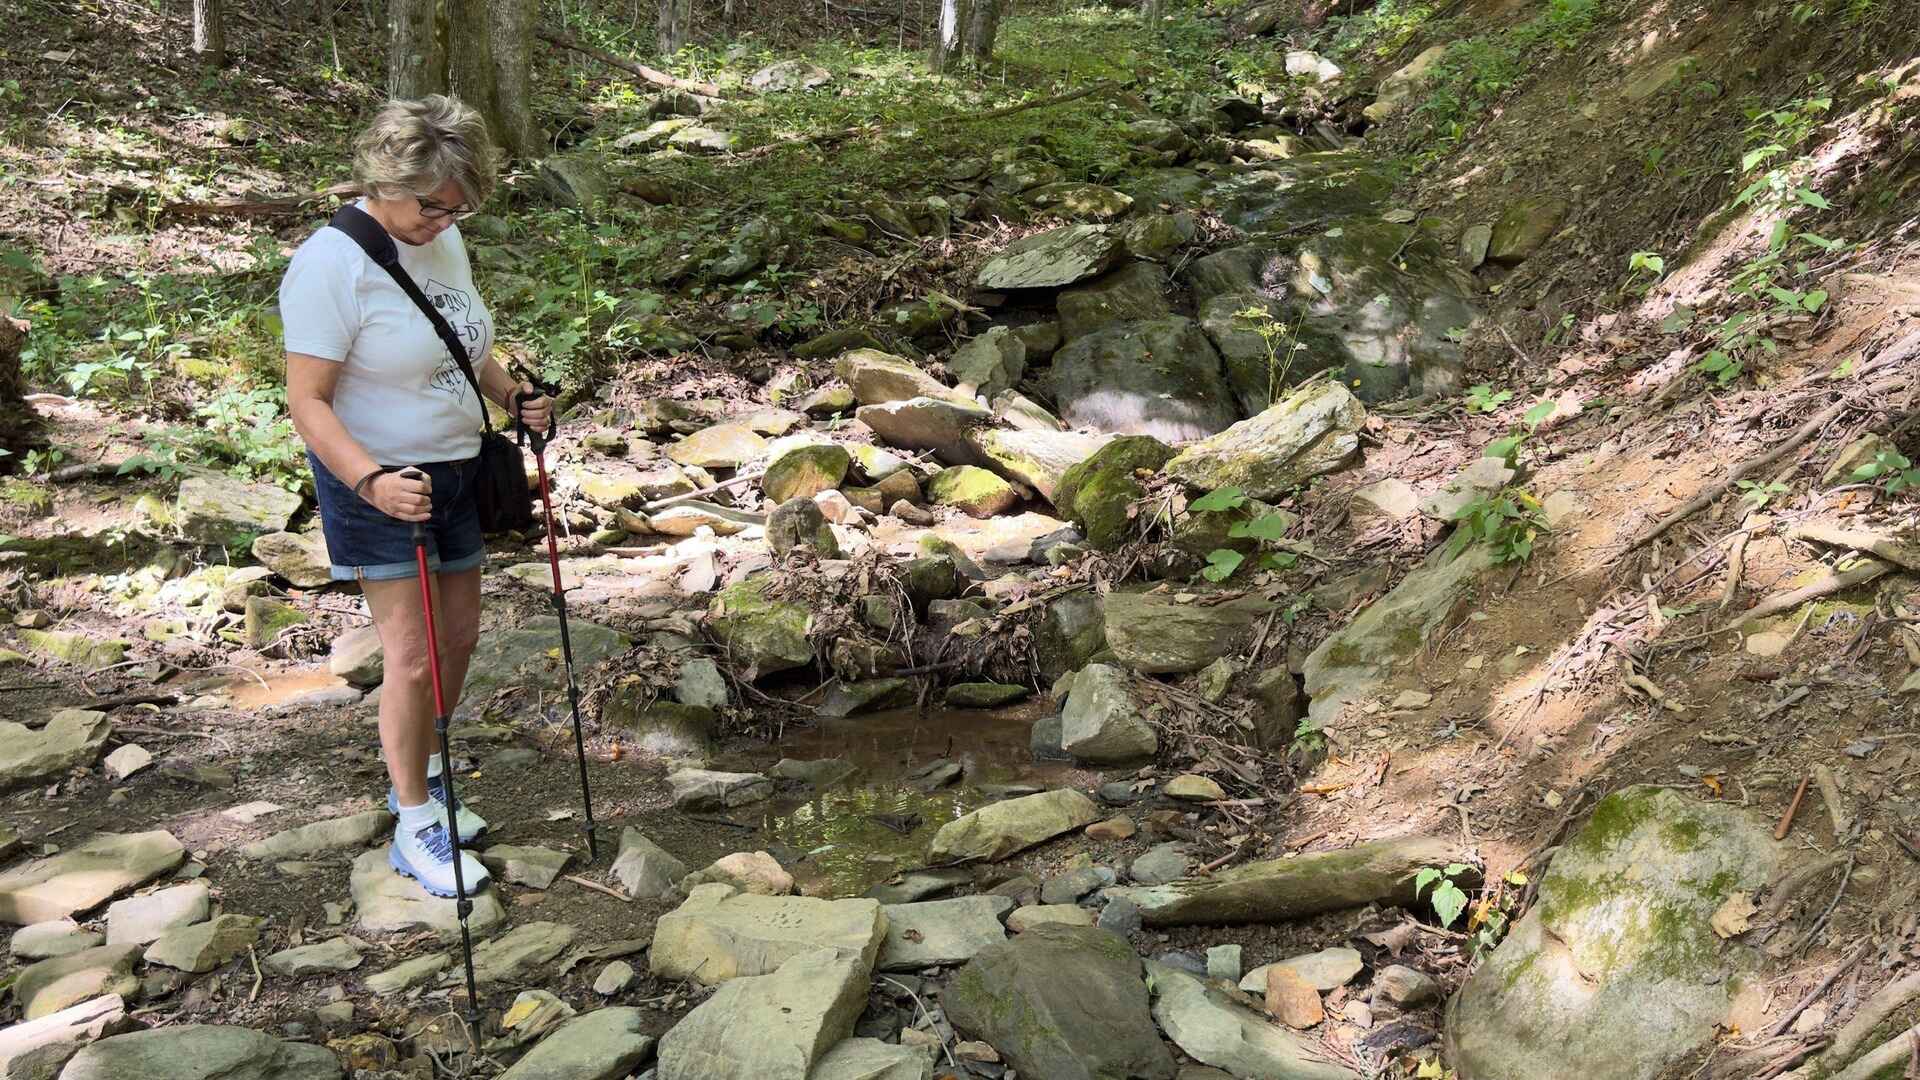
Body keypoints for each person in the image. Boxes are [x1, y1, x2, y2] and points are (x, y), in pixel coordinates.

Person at [280, 96, 549, 898]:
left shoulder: (445, 238)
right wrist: (368, 479)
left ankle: (428, 777)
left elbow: (465, 343)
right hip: (381, 481)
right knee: (409, 655)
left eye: (459, 206)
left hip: (457, 467)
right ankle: (412, 821)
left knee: (459, 638)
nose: (446, 220)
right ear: (385, 178)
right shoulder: (329, 265)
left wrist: (512, 396)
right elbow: (309, 403)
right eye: (433, 205)